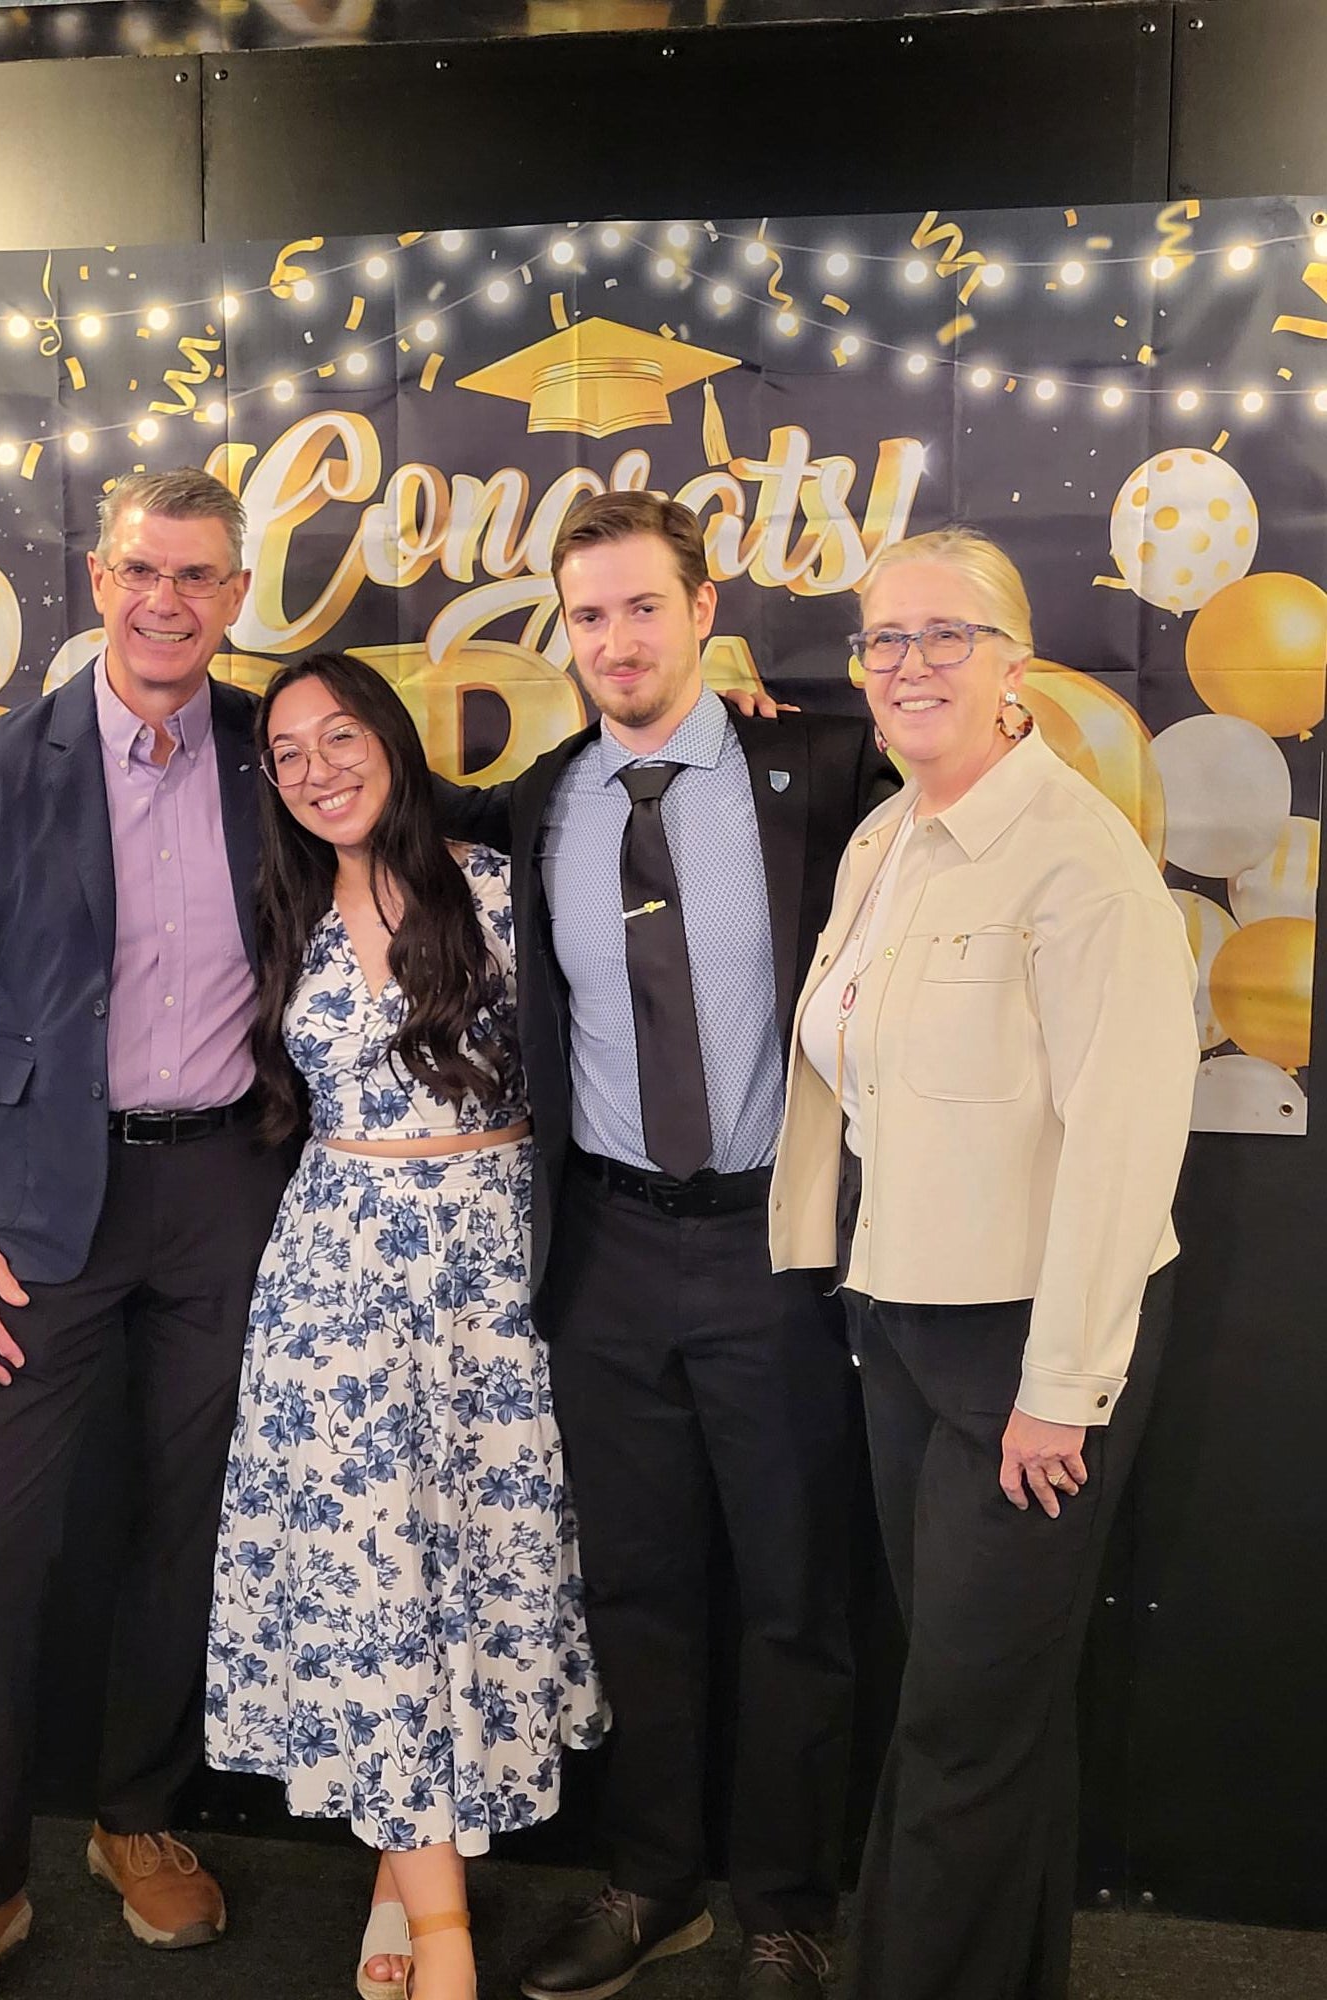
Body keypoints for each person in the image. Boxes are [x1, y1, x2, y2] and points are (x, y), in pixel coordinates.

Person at [426, 491, 896, 2000]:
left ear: (707, 614)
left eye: (644, 607)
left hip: (777, 1242)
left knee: (792, 1595)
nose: (616, 640)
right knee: (633, 1587)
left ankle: (785, 1902)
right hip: (609, 1254)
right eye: (588, 616)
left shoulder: (820, 765)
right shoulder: (547, 799)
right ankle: (653, 1882)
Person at [0, 468, 294, 1999]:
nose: (166, 601)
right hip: (38, 1217)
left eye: (197, 576)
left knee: (186, 1526)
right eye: (139, 571)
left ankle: (139, 1820)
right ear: (99, 579)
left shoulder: (278, 752)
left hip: (226, 1198)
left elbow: (436, 832)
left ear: (234, 595)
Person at [768, 527, 1199, 2000]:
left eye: (945, 635)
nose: (909, 665)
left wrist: (1062, 1389)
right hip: (900, 1324)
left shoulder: (1079, 862)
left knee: (960, 1719)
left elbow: (1126, 1146)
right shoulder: (886, 842)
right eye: (884, 640)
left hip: (1032, 1353)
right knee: (990, 1713)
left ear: (1017, 666)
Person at [205, 653, 605, 2000]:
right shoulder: (273, 916)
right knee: (377, 1589)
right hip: (339, 1284)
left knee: (467, 1580)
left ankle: (403, 1868)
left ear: (393, 735)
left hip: (491, 1270)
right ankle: (447, 1938)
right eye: (287, 752)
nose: (317, 768)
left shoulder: (499, 887)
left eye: (340, 735)